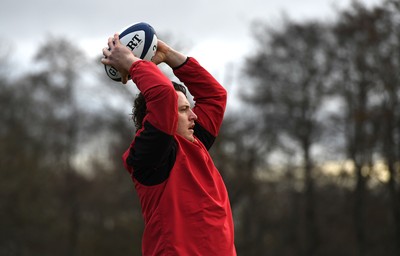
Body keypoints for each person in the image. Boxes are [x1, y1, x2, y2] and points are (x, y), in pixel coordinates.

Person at [101, 34, 236, 256]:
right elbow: (162, 95)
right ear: (161, 117)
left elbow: (214, 96)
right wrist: (132, 63)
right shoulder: (152, 154)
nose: (193, 116)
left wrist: (169, 56)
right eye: (183, 110)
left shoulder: (194, 143)